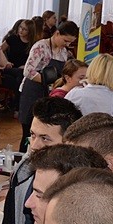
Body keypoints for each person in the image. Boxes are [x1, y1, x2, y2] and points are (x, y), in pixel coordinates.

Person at [18, 21, 78, 149]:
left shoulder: (63, 52)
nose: (67, 44)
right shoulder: (41, 47)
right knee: (28, 132)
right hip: (32, 91)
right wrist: (46, 81)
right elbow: (28, 71)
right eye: (66, 40)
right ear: (57, 33)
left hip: (48, 93)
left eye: (70, 42)